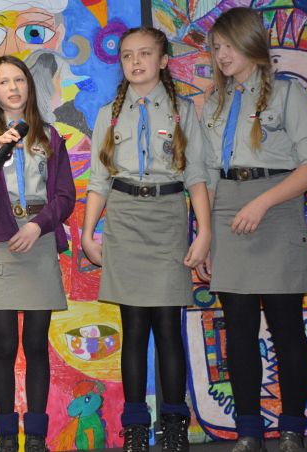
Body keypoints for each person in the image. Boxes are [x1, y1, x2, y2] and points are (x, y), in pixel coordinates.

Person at [201, 7, 307, 452]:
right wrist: (205, 234)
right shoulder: (213, 102)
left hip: (276, 206)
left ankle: (292, 428)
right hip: (226, 210)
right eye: (216, 47)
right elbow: (208, 174)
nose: (222, 55)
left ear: (251, 42)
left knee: (285, 328)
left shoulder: (288, 93)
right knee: (237, 332)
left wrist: (263, 201)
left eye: (229, 45)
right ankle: (249, 431)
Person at [81, 27, 211, 452]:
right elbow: (99, 180)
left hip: (168, 217)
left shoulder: (182, 112)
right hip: (124, 218)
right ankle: (136, 426)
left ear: (163, 60)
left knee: (168, 327)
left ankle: (174, 424)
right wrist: (88, 233)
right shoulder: (109, 114)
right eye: (127, 56)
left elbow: (197, 176)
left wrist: (204, 231)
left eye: (144, 54)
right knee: (134, 328)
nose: (135, 62)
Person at [0, 55, 76, 452]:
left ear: (29, 85)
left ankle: (35, 439)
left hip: (38, 239)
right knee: (4, 345)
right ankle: (6, 439)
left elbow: (65, 195)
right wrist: (1, 145)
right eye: (3, 82)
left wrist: (37, 225)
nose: (12, 88)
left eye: (19, 80)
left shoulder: (49, 134)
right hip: (1, 244)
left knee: (35, 345)